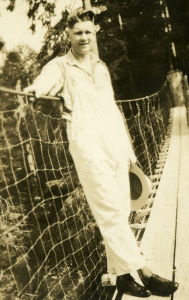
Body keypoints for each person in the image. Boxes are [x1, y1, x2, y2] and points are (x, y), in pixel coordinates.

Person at [25, 8, 178, 297]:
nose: (83, 37)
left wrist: (129, 151)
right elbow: (43, 83)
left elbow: (112, 109)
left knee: (119, 210)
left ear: (94, 32)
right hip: (88, 146)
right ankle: (146, 273)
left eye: (87, 31)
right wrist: (34, 89)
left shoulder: (101, 67)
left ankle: (120, 276)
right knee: (108, 211)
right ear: (68, 35)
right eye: (77, 32)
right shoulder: (60, 67)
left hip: (115, 145)